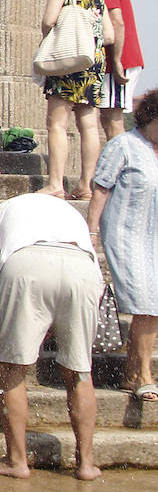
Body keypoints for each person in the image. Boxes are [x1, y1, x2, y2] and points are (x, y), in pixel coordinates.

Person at [0, 192, 104, 481]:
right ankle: (86, 463)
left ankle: (17, 460)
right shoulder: (67, 211)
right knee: (79, 370)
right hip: (82, 268)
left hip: (26, 263)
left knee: (12, 368)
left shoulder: (2, 209)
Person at [88, 88, 158, 404]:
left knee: (152, 305)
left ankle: (132, 375)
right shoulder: (124, 145)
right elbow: (101, 188)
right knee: (146, 302)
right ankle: (144, 375)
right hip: (126, 235)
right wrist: (90, 234)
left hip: (154, 236)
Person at [38, 0, 114, 200]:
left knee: (57, 123)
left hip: (69, 58)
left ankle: (56, 184)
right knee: (89, 125)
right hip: (92, 60)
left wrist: (48, 33)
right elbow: (110, 36)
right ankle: (85, 186)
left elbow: (49, 20)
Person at [84, 0, 145, 141]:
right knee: (108, 116)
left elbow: (117, 21)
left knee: (113, 118)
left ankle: (121, 167)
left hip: (120, 60)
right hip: (119, 59)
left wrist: (117, 61)